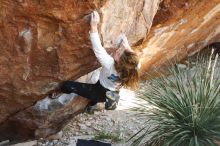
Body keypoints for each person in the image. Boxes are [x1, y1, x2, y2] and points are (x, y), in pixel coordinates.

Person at [53, 11, 140, 111]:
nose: (118, 50)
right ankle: (92, 104)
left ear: (118, 62)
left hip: (100, 90)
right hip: (112, 91)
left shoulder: (109, 65)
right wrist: (127, 46)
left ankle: (64, 91)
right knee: (96, 96)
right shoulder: (134, 67)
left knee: (68, 86)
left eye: (118, 54)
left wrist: (94, 26)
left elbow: (98, 49)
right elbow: (135, 58)